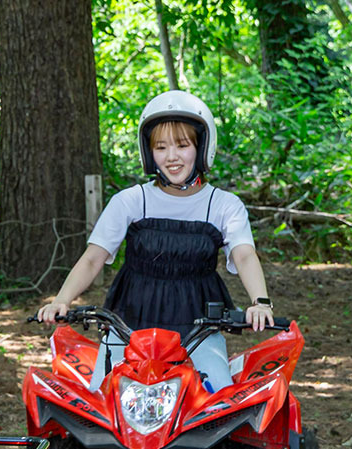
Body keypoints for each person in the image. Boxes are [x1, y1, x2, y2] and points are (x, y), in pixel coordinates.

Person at [36, 90, 275, 391]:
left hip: (199, 326)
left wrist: (260, 302)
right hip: (130, 323)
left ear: (202, 148)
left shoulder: (224, 204)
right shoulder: (132, 201)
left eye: (182, 145)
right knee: (99, 404)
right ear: (149, 153)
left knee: (219, 405)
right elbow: (93, 257)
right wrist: (61, 301)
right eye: (161, 147)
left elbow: (244, 255)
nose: (172, 157)